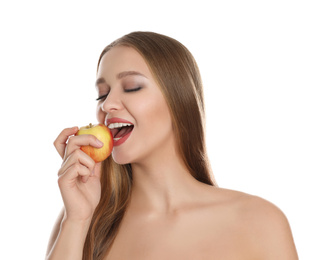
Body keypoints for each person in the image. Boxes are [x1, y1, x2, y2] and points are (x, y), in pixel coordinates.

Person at [46, 31, 298, 260]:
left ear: (178, 99)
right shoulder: (83, 219)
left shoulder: (259, 221)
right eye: (102, 94)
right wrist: (76, 220)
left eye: (132, 87)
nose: (107, 104)